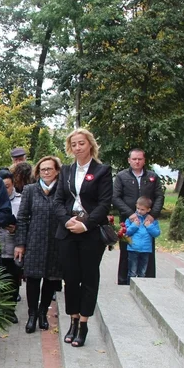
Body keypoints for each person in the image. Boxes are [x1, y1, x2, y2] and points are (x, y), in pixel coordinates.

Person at [53, 129, 112, 348]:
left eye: (81, 143)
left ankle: (84, 323)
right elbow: (58, 201)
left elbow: (105, 203)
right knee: (70, 278)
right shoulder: (67, 170)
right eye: (74, 144)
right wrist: (68, 221)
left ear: (90, 145)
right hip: (67, 229)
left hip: (90, 232)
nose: (78, 148)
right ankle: (73, 319)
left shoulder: (102, 171)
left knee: (88, 278)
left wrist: (86, 225)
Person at [15, 156, 63, 333]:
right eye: (43, 169)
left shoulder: (62, 190)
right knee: (33, 279)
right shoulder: (30, 190)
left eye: (50, 169)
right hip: (34, 241)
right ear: (38, 172)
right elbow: (22, 218)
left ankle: (43, 313)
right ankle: (32, 315)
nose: (46, 172)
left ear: (57, 171)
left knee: (51, 279)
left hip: (56, 242)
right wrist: (20, 244)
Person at [113, 148, 165, 284]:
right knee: (126, 253)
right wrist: (129, 214)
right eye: (134, 159)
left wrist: (153, 215)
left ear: (144, 160)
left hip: (147, 221)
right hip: (129, 222)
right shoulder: (121, 176)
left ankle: (148, 281)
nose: (137, 161)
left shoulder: (152, 176)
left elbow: (159, 196)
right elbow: (115, 197)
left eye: (140, 159)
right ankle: (124, 282)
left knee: (147, 252)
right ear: (129, 160)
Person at [0, 169, 23, 321]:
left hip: (14, 246)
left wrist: (16, 227)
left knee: (13, 280)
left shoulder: (21, 200)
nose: (4, 190)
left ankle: (10, 310)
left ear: (13, 185)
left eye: (7, 186)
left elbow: (26, 221)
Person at [125, 196, 161, 279]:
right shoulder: (132, 219)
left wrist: (149, 226)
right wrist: (134, 225)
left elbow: (156, 233)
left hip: (145, 249)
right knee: (132, 272)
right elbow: (126, 232)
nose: (139, 211)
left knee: (142, 272)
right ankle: (129, 287)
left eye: (142, 209)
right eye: (138, 208)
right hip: (133, 248)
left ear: (148, 210)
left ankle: (141, 288)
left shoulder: (152, 220)